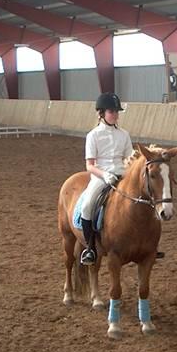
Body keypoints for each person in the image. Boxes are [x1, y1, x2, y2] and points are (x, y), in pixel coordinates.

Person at [79, 92, 134, 265]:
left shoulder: (124, 134)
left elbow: (129, 158)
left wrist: (129, 167)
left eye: (117, 112)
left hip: (122, 174)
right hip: (101, 176)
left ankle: (145, 243)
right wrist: (105, 175)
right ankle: (90, 248)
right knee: (87, 206)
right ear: (102, 113)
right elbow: (90, 166)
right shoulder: (93, 135)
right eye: (112, 112)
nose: (115, 115)